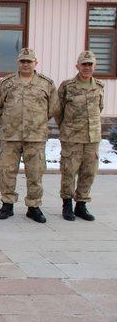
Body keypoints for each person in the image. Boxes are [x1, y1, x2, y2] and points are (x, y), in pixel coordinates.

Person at [0, 48, 59, 223]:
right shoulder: (7, 82)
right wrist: (12, 119)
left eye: (29, 61)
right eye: (22, 61)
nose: (25, 64)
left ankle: (34, 206)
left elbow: (53, 108)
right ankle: (7, 204)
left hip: (35, 137)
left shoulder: (46, 84)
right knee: (7, 171)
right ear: (18, 63)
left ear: (35, 63)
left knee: (35, 173)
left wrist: (35, 121)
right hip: (10, 136)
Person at [56, 50, 103, 221]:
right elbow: (58, 110)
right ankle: (67, 204)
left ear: (94, 66)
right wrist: (67, 127)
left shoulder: (99, 86)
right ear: (77, 66)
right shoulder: (67, 86)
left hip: (92, 138)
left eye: (90, 64)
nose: (87, 67)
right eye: (84, 64)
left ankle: (81, 205)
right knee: (69, 171)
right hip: (71, 137)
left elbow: (100, 108)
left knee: (89, 171)